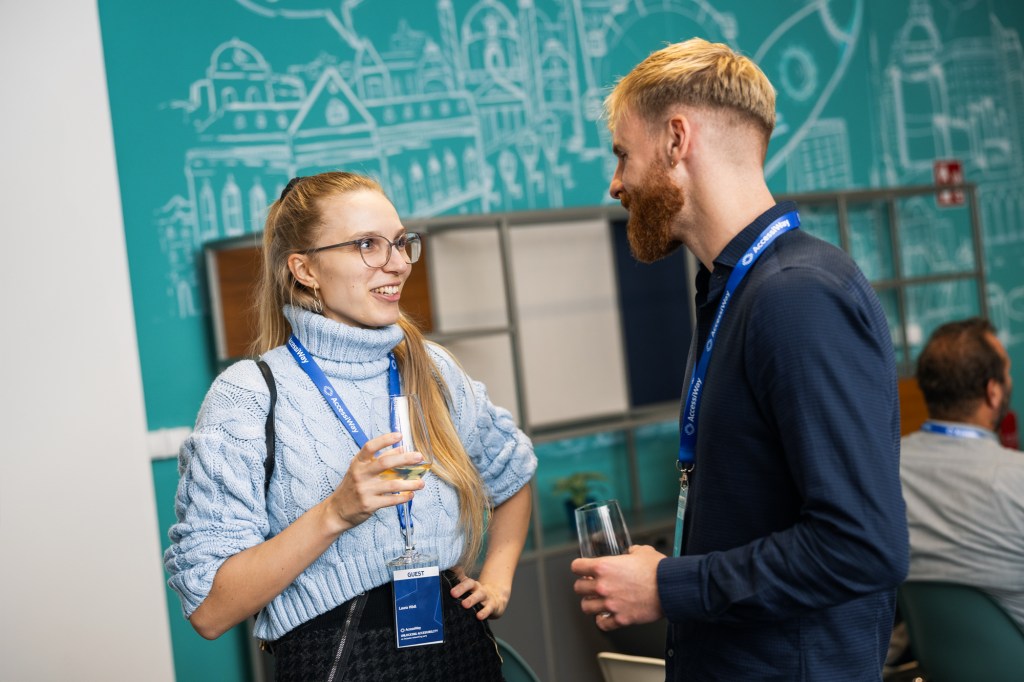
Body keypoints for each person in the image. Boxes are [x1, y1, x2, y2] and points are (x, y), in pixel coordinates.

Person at [571, 37, 909, 680]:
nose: (616, 184)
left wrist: (669, 586)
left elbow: (863, 546)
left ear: (677, 139)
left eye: (622, 154)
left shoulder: (796, 296)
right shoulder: (735, 292)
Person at [164, 171, 536, 681]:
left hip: (461, 654)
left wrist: (496, 580)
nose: (398, 263)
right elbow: (210, 611)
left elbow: (513, 474)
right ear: (305, 269)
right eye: (367, 244)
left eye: (400, 242)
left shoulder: (431, 369)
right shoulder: (248, 395)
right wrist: (336, 512)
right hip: (338, 662)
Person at [900, 318, 1023, 628]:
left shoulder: (885, 469)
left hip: (932, 651)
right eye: (1007, 373)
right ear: (993, 393)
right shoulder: (1016, 478)